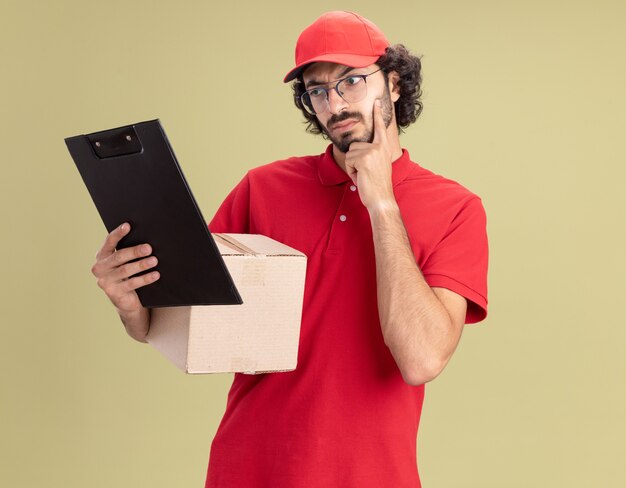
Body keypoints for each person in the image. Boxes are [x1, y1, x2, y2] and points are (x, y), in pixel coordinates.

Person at [91, 10, 488, 488]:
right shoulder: (262, 189)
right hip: (247, 470)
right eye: (317, 91)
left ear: (395, 83)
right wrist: (130, 304)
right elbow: (175, 326)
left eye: (352, 82)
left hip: (371, 476)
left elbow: (422, 360)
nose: (335, 103)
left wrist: (382, 202)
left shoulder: (456, 209)